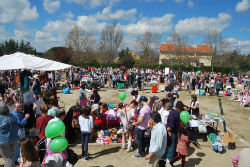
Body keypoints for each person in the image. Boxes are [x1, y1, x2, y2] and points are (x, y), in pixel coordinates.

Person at [0, 102, 19, 167]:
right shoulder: (11, 116)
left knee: (7, 158)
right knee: (10, 156)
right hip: (13, 139)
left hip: (3, 140)